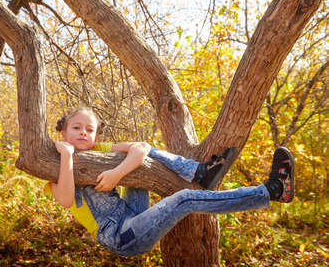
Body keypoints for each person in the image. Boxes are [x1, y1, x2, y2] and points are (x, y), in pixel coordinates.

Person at [48, 107, 294, 256]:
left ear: (95, 135)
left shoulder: (101, 148)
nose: (83, 133)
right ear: (63, 133)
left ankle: (199, 173)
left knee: (137, 156)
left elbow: (142, 147)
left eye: (89, 129)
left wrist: (117, 174)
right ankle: (272, 191)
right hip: (122, 236)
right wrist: (68, 155)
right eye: (76, 127)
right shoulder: (52, 165)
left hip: (133, 212)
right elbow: (66, 199)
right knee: (184, 199)